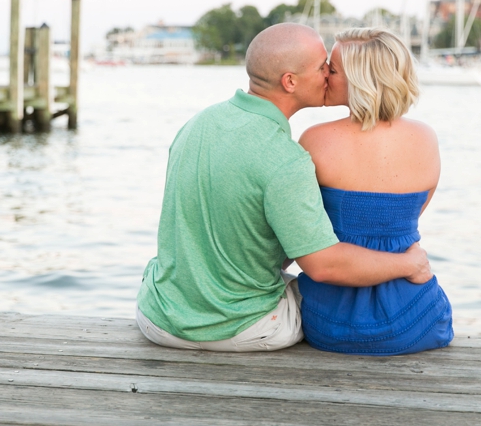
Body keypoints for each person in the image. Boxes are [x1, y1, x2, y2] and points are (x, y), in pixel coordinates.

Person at [136, 23, 432, 352]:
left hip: (158, 318)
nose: (327, 76)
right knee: (328, 300)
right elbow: (323, 266)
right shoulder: (286, 159)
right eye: (323, 68)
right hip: (242, 329)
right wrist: (410, 264)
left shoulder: (198, 123)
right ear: (290, 81)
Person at [297, 28, 453, 355]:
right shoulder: (426, 138)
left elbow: (301, 231)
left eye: (333, 69)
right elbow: (405, 219)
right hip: (420, 315)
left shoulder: (316, 139)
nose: (325, 73)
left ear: (360, 80)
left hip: (333, 320)